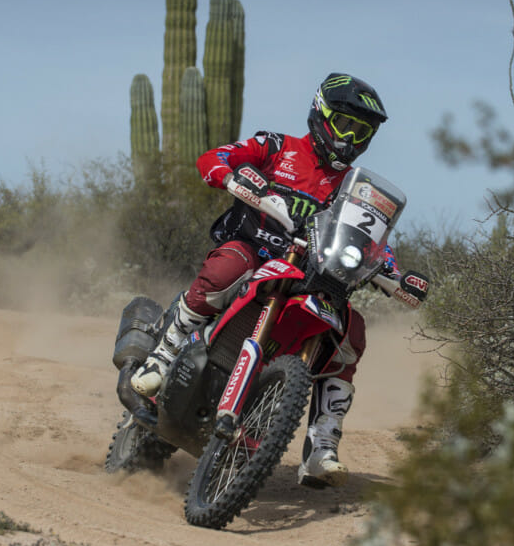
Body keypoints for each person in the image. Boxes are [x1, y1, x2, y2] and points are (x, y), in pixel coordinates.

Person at [131, 72, 397, 489]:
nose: (351, 136)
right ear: (322, 114)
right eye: (345, 124)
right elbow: (213, 158)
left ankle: (322, 444)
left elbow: (373, 239)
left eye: (361, 131)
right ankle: (163, 356)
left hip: (311, 277)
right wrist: (237, 177)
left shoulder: (354, 190)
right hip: (254, 251)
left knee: (353, 331)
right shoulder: (276, 147)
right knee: (226, 270)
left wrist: (394, 271)